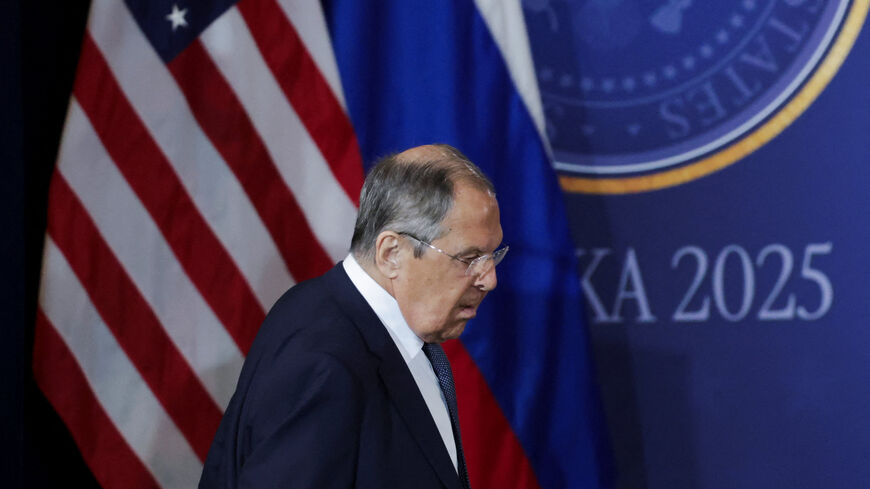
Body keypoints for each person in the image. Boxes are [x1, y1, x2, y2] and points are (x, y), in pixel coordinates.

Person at [199, 144, 508, 488]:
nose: (489, 278)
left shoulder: (351, 314)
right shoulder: (322, 362)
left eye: (493, 254)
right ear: (392, 253)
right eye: (470, 258)